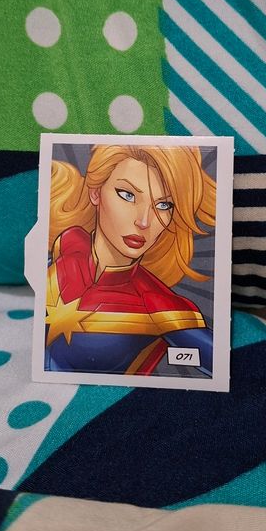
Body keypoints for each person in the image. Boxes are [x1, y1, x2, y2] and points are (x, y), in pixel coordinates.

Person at [45, 144, 216, 376]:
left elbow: (220, 365)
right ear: (95, 192)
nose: (144, 221)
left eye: (163, 205)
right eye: (127, 195)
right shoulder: (67, 246)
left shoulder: (160, 308)